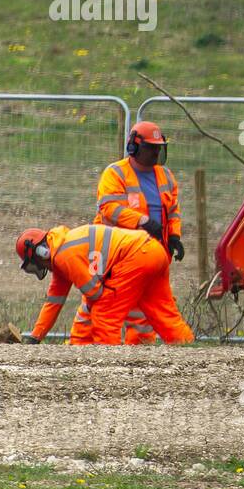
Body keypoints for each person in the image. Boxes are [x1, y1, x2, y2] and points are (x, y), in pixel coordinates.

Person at [17, 224, 194, 346]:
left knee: (104, 313)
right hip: (154, 251)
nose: (40, 268)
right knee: (164, 312)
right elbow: (53, 302)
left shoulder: (65, 256)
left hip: (137, 257)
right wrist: (36, 336)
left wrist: (80, 340)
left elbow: (95, 294)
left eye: (36, 264)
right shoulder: (62, 253)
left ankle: (110, 368)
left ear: (41, 252)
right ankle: (188, 351)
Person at [94, 121, 185, 343]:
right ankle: (93, 349)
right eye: (151, 148)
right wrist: (142, 221)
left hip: (152, 254)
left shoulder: (166, 176)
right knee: (102, 303)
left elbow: (173, 210)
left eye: (158, 148)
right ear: (134, 147)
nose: (155, 152)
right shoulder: (115, 173)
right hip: (118, 254)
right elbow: (109, 208)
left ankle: (140, 355)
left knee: (144, 311)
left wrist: (174, 236)